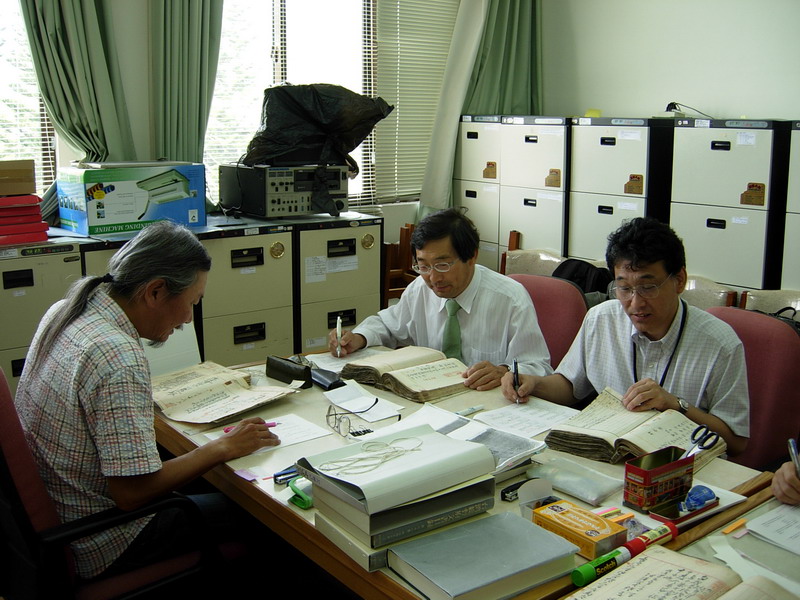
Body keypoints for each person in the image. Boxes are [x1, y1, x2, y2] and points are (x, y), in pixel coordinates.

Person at [14, 220, 280, 580]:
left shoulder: (67, 309)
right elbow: (131, 493)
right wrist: (221, 448)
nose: (188, 319)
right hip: (102, 538)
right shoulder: (116, 354)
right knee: (267, 514)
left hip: (52, 519)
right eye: (191, 303)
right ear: (155, 292)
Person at [501, 217, 749, 455]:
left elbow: (736, 442)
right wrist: (534, 383)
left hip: (681, 468)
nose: (635, 303)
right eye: (625, 288)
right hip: (609, 456)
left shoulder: (719, 343)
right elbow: (569, 386)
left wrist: (675, 405)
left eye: (648, 287)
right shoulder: (601, 319)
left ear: (679, 280)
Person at [329, 207, 552, 390]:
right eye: (423, 265)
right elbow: (387, 325)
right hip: (427, 398)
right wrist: (358, 337)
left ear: (472, 256)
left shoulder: (510, 298)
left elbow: (538, 365)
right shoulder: (420, 288)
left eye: (443, 264)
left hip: (486, 402)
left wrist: (504, 371)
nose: (433, 278)